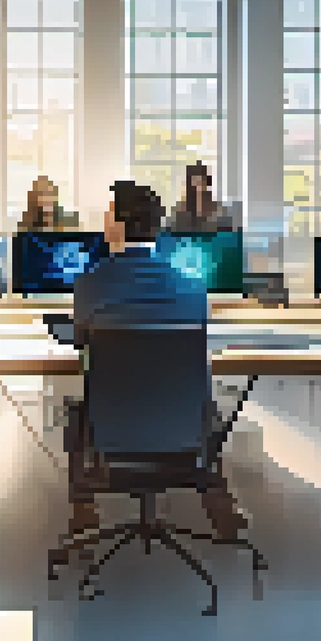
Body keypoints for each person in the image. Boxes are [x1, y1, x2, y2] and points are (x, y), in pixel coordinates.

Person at [66, 180, 248, 541]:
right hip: (182, 433)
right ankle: (219, 509)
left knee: (76, 411)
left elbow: (83, 345)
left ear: (118, 224)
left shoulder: (89, 285)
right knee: (205, 405)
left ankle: (84, 512)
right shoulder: (194, 289)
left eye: (107, 213)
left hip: (112, 431)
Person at [169, 161, 240, 233]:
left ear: (207, 183)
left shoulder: (219, 210)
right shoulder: (180, 210)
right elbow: (173, 234)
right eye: (195, 181)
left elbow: (229, 234)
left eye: (201, 181)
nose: (199, 186)